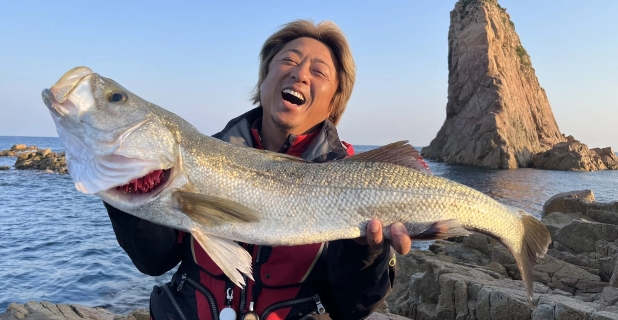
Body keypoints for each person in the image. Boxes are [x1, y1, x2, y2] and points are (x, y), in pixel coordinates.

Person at [104, 19, 412, 320]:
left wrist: (367, 253)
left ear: (334, 102)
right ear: (263, 81)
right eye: (288, 60)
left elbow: (352, 308)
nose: (300, 74)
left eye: (318, 71)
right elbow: (154, 260)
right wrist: (129, 186)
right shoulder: (199, 156)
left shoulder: (351, 175)